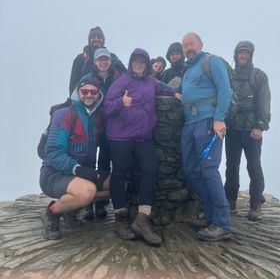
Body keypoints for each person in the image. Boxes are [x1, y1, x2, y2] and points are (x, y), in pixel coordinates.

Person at [104, 48, 177, 246]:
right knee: (119, 173)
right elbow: (107, 108)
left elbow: (163, 89)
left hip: (143, 137)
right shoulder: (121, 83)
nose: (138, 65)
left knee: (151, 171)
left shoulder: (151, 82)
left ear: (146, 65)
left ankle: (142, 218)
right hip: (120, 137)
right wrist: (121, 102)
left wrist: (176, 93)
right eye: (135, 62)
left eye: (142, 62)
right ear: (130, 63)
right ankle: (120, 219)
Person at [39, 78, 110, 240]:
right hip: (54, 175)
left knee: (120, 184)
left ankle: (69, 208)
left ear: (99, 95)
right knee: (87, 192)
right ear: (78, 92)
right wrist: (77, 169)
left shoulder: (98, 117)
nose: (89, 95)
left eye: (94, 92)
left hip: (83, 174)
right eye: (85, 91)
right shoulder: (64, 114)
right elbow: (53, 151)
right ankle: (52, 213)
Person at [180, 32, 232, 241]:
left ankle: (222, 222)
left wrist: (219, 118)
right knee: (191, 170)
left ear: (200, 44)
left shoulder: (213, 61)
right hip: (189, 124)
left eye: (191, 44)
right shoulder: (188, 70)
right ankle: (210, 215)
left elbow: (224, 90)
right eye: (185, 46)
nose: (188, 48)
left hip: (208, 122)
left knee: (209, 169)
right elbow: (179, 90)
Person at [71, 47, 122, 220]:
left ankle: (100, 203)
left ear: (110, 61)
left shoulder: (118, 77)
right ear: (94, 62)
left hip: (112, 126)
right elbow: (75, 100)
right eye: (100, 60)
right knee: (87, 162)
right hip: (92, 125)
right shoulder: (87, 79)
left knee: (105, 162)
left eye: (106, 59)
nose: (103, 62)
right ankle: (86, 205)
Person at [224, 41, 271, 221]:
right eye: (240, 53)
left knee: (253, 166)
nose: (242, 56)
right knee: (231, 166)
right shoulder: (230, 76)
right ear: (235, 55)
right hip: (233, 129)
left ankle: (255, 204)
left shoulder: (259, 76)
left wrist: (260, 126)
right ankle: (230, 201)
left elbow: (264, 103)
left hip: (252, 130)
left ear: (250, 55)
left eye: (246, 53)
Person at [69, 26, 126, 96]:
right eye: (93, 37)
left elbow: (125, 75)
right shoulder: (81, 59)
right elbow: (73, 84)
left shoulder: (112, 57)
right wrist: (73, 102)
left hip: (110, 100)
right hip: (87, 99)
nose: (96, 39)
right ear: (89, 40)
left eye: (99, 37)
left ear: (103, 41)